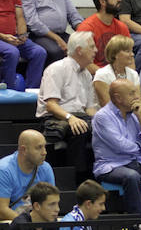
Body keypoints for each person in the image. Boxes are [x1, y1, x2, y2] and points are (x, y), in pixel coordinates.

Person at [91, 79, 141, 217]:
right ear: (118, 98)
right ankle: (136, 222)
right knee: (132, 176)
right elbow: (120, 145)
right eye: (132, 93)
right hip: (111, 166)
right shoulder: (102, 117)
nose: (137, 97)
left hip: (137, 164)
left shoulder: (136, 114)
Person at [36, 31, 98, 180]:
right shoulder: (57, 68)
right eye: (92, 47)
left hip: (79, 116)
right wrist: (70, 118)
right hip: (56, 117)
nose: (96, 50)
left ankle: (100, 172)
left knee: (103, 126)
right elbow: (51, 105)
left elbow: (89, 108)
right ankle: (78, 177)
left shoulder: (87, 74)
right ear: (79, 50)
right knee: (80, 128)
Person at [0, 129, 54, 222]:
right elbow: (1, 211)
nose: (44, 152)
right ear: (24, 150)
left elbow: (51, 202)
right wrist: (30, 224)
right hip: (2, 220)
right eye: (39, 148)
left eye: (44, 147)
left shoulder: (46, 168)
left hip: (31, 219)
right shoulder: (3, 170)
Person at [77, 0, 130, 69]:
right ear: (102, 2)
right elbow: (84, 62)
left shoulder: (122, 27)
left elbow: (130, 58)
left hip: (118, 75)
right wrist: (107, 76)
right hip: (95, 76)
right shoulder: (86, 28)